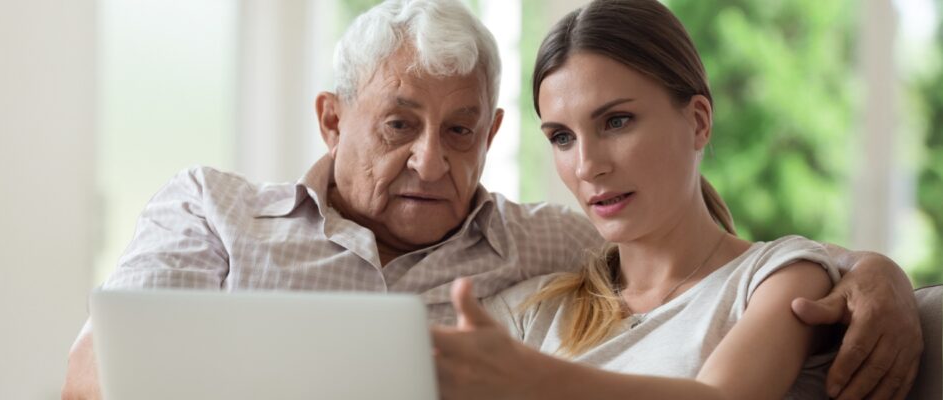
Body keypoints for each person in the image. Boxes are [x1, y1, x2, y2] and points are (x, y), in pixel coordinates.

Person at [62, 1, 921, 399]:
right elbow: (98, 374)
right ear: (332, 120)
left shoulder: (533, 260)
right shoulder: (213, 210)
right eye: (398, 125)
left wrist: (875, 271)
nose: (430, 160)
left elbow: (745, 265)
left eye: (461, 132)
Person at [430, 1, 921, 400]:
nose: (586, 165)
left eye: (616, 122)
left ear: (699, 121)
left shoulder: (779, 278)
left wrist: (534, 380)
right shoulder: (530, 313)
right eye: (562, 137)